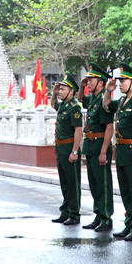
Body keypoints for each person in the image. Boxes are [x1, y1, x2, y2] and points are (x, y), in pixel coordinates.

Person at [103, 64, 132, 241]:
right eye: (120, 80)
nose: (120, 84)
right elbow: (106, 106)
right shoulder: (122, 101)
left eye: (124, 81)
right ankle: (130, 223)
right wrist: (108, 91)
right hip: (122, 151)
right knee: (125, 191)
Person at [80, 63, 115, 233]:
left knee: (103, 185)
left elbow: (109, 127)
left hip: (100, 146)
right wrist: (81, 86)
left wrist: (103, 151)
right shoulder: (93, 98)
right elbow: (81, 99)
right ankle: (99, 215)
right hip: (91, 146)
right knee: (94, 184)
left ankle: (106, 217)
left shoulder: (103, 99)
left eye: (91, 80)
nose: (88, 82)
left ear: (101, 82)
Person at [50, 76, 83, 225]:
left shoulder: (74, 107)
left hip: (69, 147)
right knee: (64, 182)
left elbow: (78, 130)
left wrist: (74, 151)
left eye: (63, 89)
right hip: (60, 148)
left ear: (71, 91)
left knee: (72, 183)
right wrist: (54, 92)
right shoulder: (63, 105)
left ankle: (74, 213)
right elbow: (53, 104)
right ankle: (65, 212)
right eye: (60, 89)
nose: (60, 92)